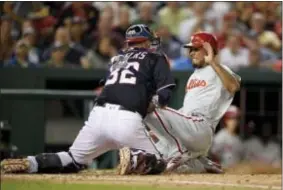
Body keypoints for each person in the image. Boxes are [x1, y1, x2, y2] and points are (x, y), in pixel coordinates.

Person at [1, 24, 175, 175]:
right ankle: (134, 159)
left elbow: (106, 85)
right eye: (148, 41)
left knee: (73, 159)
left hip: (98, 115)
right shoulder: (156, 57)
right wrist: (153, 104)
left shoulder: (116, 59)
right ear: (145, 41)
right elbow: (165, 92)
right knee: (160, 162)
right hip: (127, 119)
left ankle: (33, 163)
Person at [122, 32, 241, 174]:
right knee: (158, 162)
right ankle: (202, 164)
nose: (191, 53)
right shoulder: (193, 77)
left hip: (201, 126)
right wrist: (160, 127)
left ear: (209, 50)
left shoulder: (219, 69)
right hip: (191, 133)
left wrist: (213, 62)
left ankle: (177, 152)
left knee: (146, 104)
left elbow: (233, 87)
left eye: (196, 49)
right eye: (190, 49)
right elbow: (185, 111)